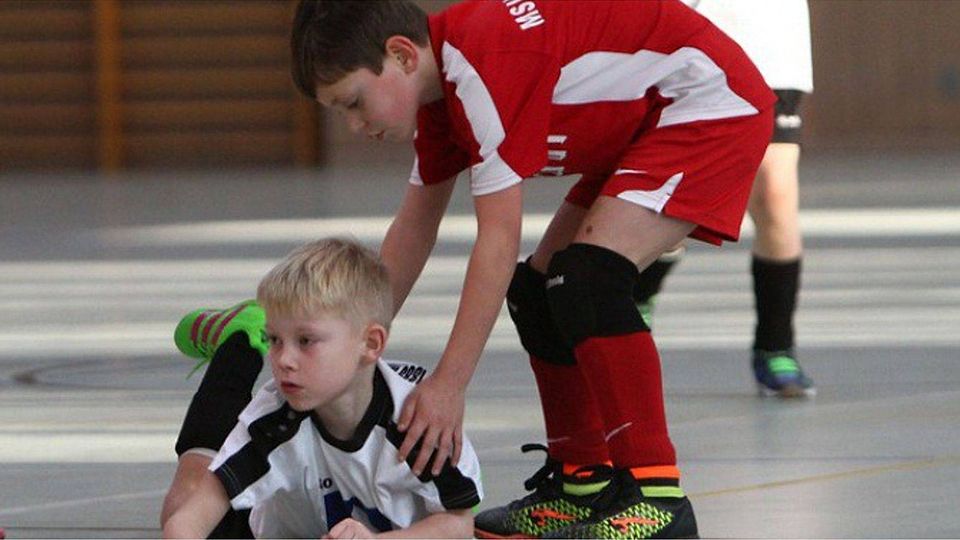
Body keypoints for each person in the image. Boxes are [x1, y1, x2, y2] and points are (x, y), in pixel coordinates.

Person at [291, 1, 775, 537]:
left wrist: (449, 384)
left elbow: (499, 239)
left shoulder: (483, 64)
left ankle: (656, 496)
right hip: (644, 124)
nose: (355, 124)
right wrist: (349, 345)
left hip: (707, 104)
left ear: (402, 55)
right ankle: (581, 483)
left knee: (587, 282)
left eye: (354, 102)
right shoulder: (441, 93)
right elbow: (413, 229)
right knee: (537, 291)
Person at [161, 238, 482, 539]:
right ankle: (241, 342)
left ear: (371, 343)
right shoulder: (274, 421)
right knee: (182, 501)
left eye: (305, 341)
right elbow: (186, 522)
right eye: (276, 340)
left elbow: (458, 523)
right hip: (265, 528)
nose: (284, 359)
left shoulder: (418, 423)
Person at [634, 0, 816, 399]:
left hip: (766, 42)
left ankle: (775, 344)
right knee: (675, 190)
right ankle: (639, 292)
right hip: (681, 36)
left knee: (774, 192)